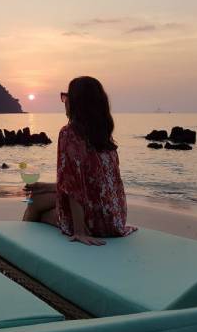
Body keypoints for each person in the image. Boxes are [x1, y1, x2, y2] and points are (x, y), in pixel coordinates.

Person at [23, 76, 137, 245]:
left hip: (93, 223)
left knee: (35, 203)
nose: (65, 101)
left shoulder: (69, 133)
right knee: (38, 195)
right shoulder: (104, 136)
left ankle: (20, 246)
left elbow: (74, 186)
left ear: (77, 102)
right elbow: (91, 184)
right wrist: (46, 187)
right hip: (114, 219)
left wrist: (79, 232)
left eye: (67, 97)